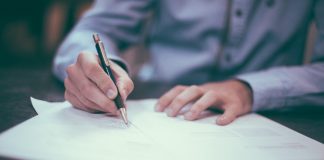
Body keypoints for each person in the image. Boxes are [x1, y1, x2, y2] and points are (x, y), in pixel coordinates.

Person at [53, 0, 324, 125]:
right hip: (160, 106)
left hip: (275, 115)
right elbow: (96, 28)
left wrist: (248, 89)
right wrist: (101, 67)